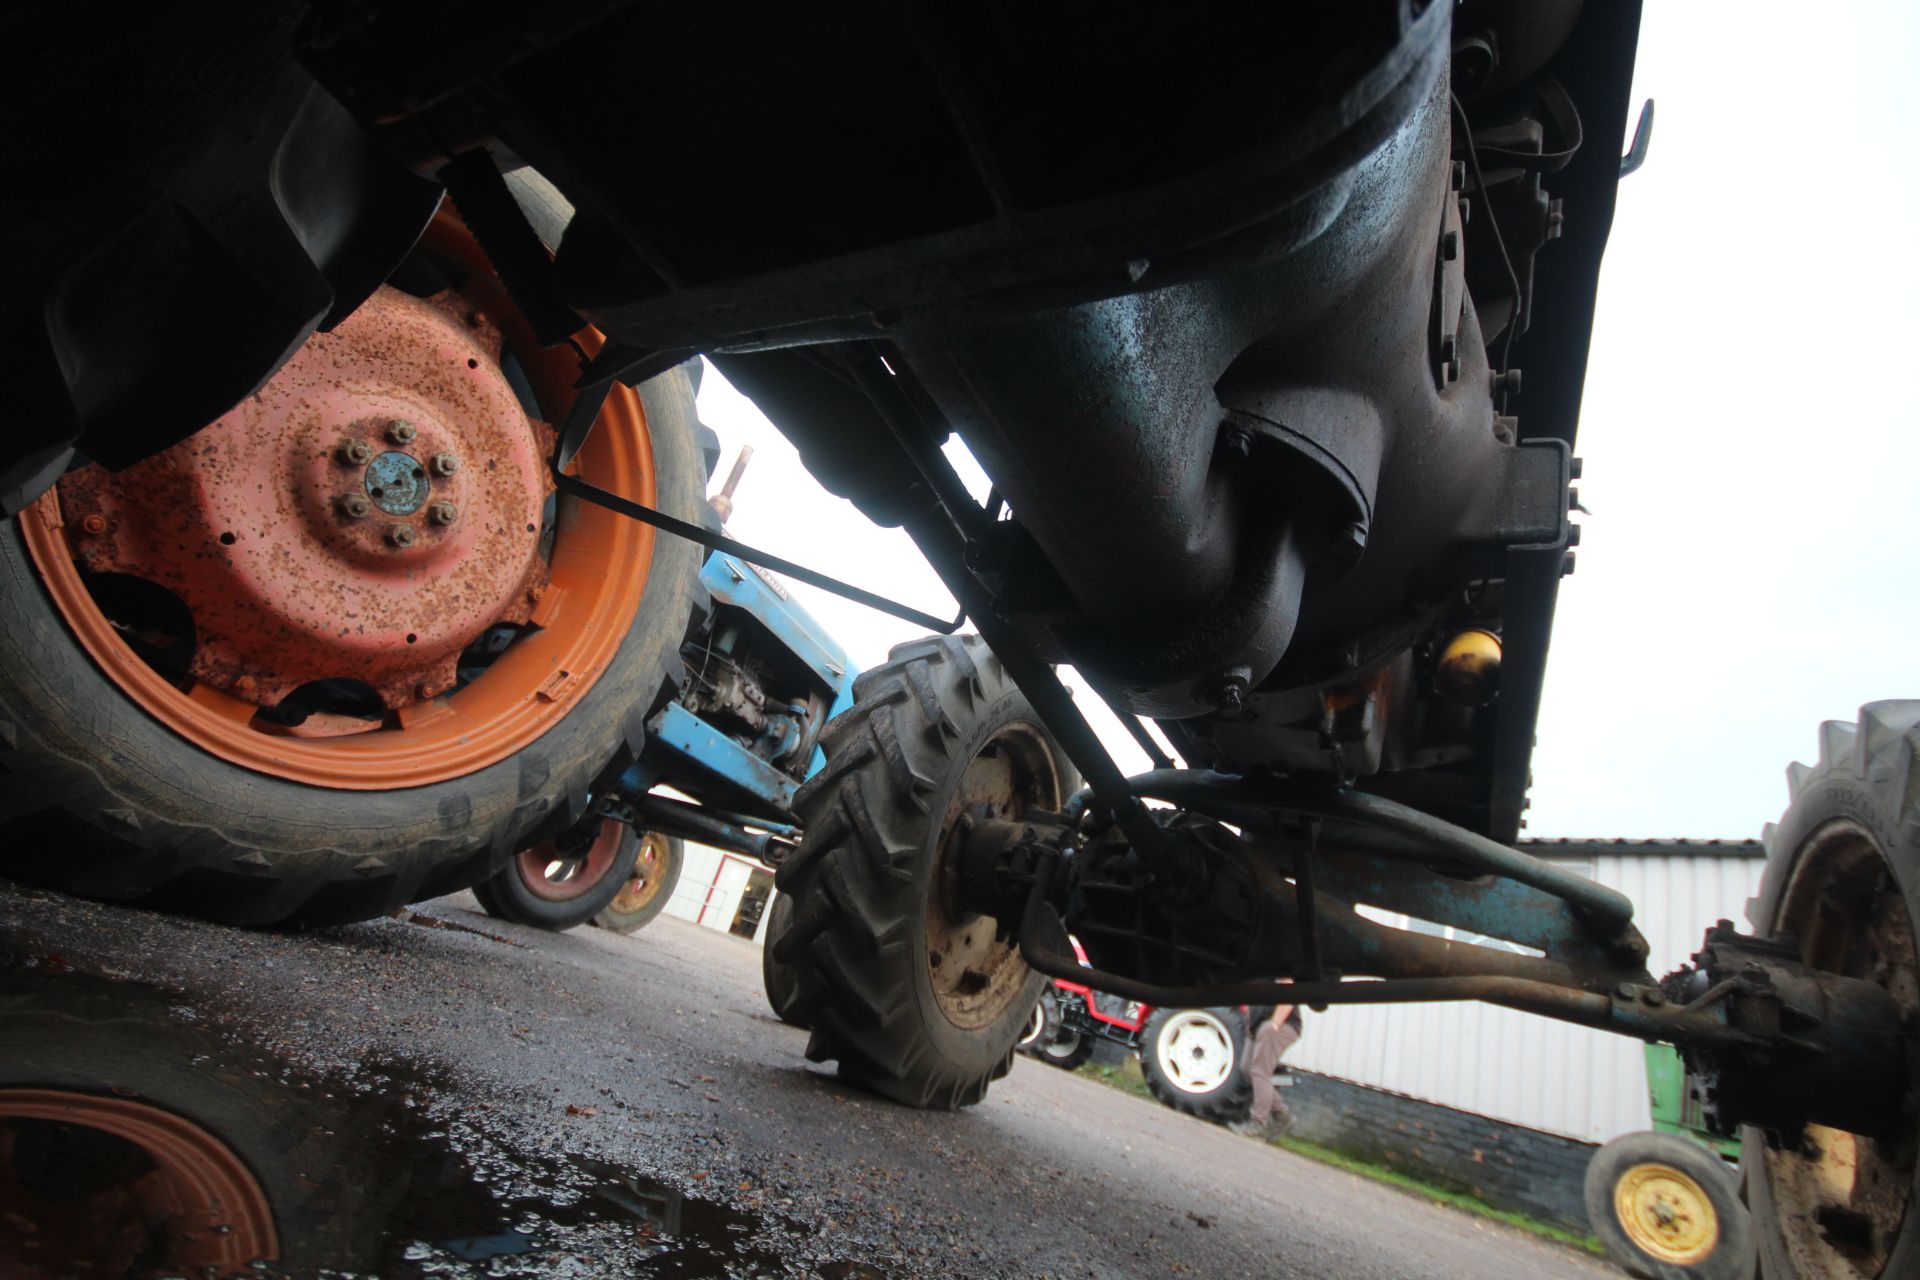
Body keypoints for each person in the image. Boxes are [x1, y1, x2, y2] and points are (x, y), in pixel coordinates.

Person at [1229, 1002, 1302, 1138]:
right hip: (1258, 1026)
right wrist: (1250, 1026)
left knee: (1260, 1071)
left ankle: (1258, 1122)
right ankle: (1281, 1113)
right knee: (1247, 1068)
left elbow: (1288, 990)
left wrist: (1274, 1024)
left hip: (1279, 1024)